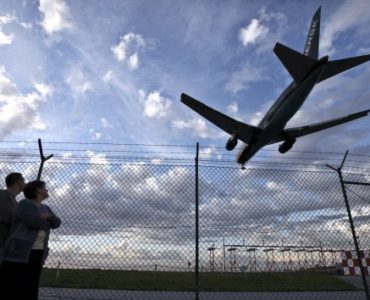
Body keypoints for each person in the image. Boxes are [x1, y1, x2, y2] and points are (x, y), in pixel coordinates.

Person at [1, 180, 61, 300]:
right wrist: (48, 222)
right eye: (45, 188)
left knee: (31, 286)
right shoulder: (25, 204)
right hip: (19, 252)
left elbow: (57, 223)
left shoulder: (46, 208)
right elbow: (34, 222)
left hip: (37, 253)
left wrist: (49, 217)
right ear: (38, 189)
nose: (47, 190)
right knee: (13, 287)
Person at [0, 172, 26, 261]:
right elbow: (5, 215)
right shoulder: (3, 194)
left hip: (6, 243)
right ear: (18, 182)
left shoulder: (16, 202)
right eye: (24, 181)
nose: (25, 183)